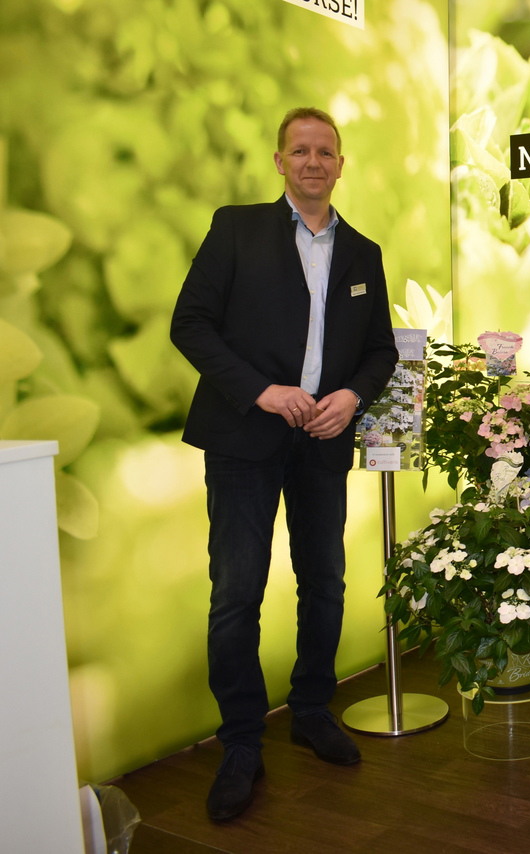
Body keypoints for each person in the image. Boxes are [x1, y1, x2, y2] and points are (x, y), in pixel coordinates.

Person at [170, 107, 398, 822]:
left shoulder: (363, 252)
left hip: (323, 442)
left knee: (324, 582)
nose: (312, 162)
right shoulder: (236, 229)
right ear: (279, 162)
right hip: (244, 438)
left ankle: (310, 710)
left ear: (341, 164)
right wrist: (261, 391)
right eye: (300, 150)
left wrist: (353, 397)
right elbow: (190, 324)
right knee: (237, 592)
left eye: (325, 151)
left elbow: (381, 350)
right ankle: (241, 741)